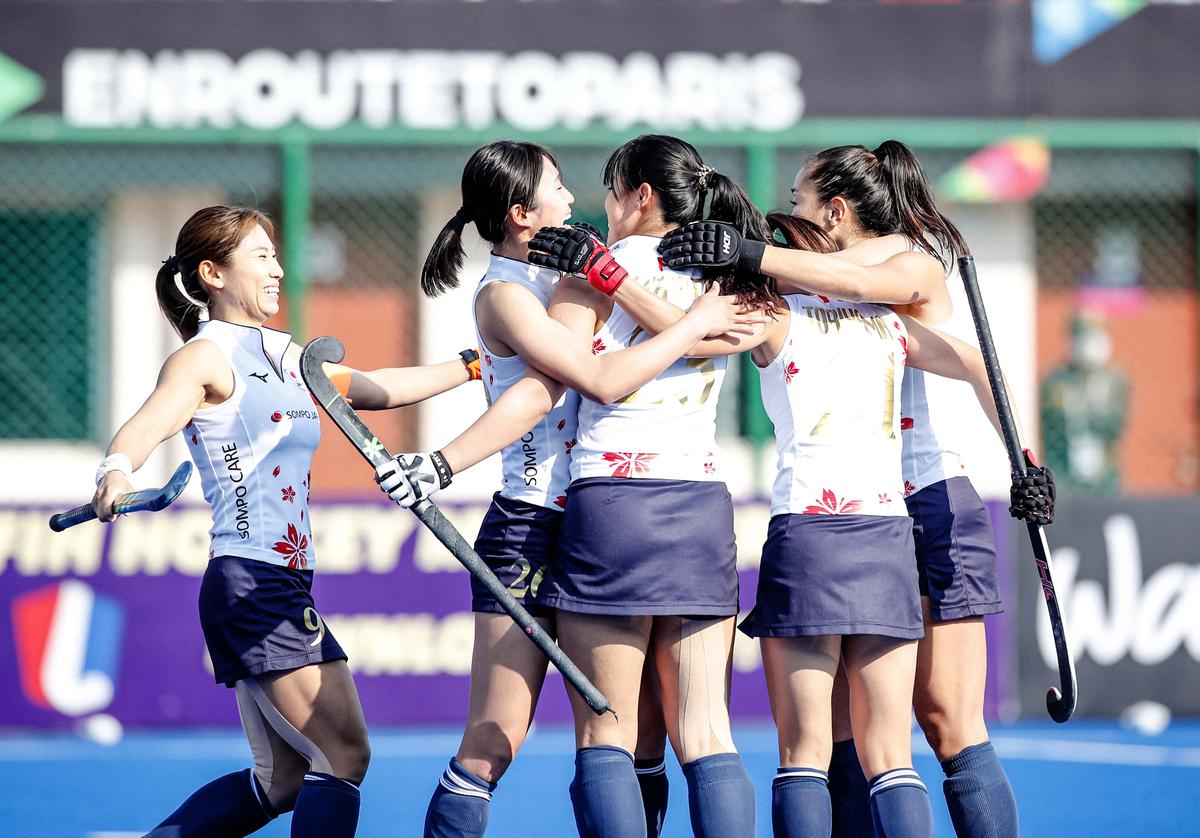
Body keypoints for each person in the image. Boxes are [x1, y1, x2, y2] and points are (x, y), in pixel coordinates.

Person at [379, 134, 772, 838]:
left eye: (590, 184)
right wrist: (439, 463)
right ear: (523, 213)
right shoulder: (515, 289)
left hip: (605, 513)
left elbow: (704, 338)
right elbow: (544, 393)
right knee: (498, 737)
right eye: (559, 186)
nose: (576, 198)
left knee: (632, 733)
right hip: (538, 519)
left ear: (640, 195)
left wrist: (649, 299)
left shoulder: (583, 273)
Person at [659, 141, 1054, 838]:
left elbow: (955, 351)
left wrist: (1025, 462)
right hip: (867, 515)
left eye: (800, 201)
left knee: (946, 723)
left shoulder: (909, 263)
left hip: (927, 497)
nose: (789, 213)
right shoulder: (816, 279)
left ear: (836, 211)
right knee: (844, 733)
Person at [89, 205, 479, 838]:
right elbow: (148, 422)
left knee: (282, 781)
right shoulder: (204, 358)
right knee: (346, 754)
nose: (278, 269)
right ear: (213, 273)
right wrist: (116, 469)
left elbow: (379, 388)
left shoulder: (285, 353)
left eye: (276, 254)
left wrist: (474, 362)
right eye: (261, 257)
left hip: (281, 579)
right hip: (251, 580)